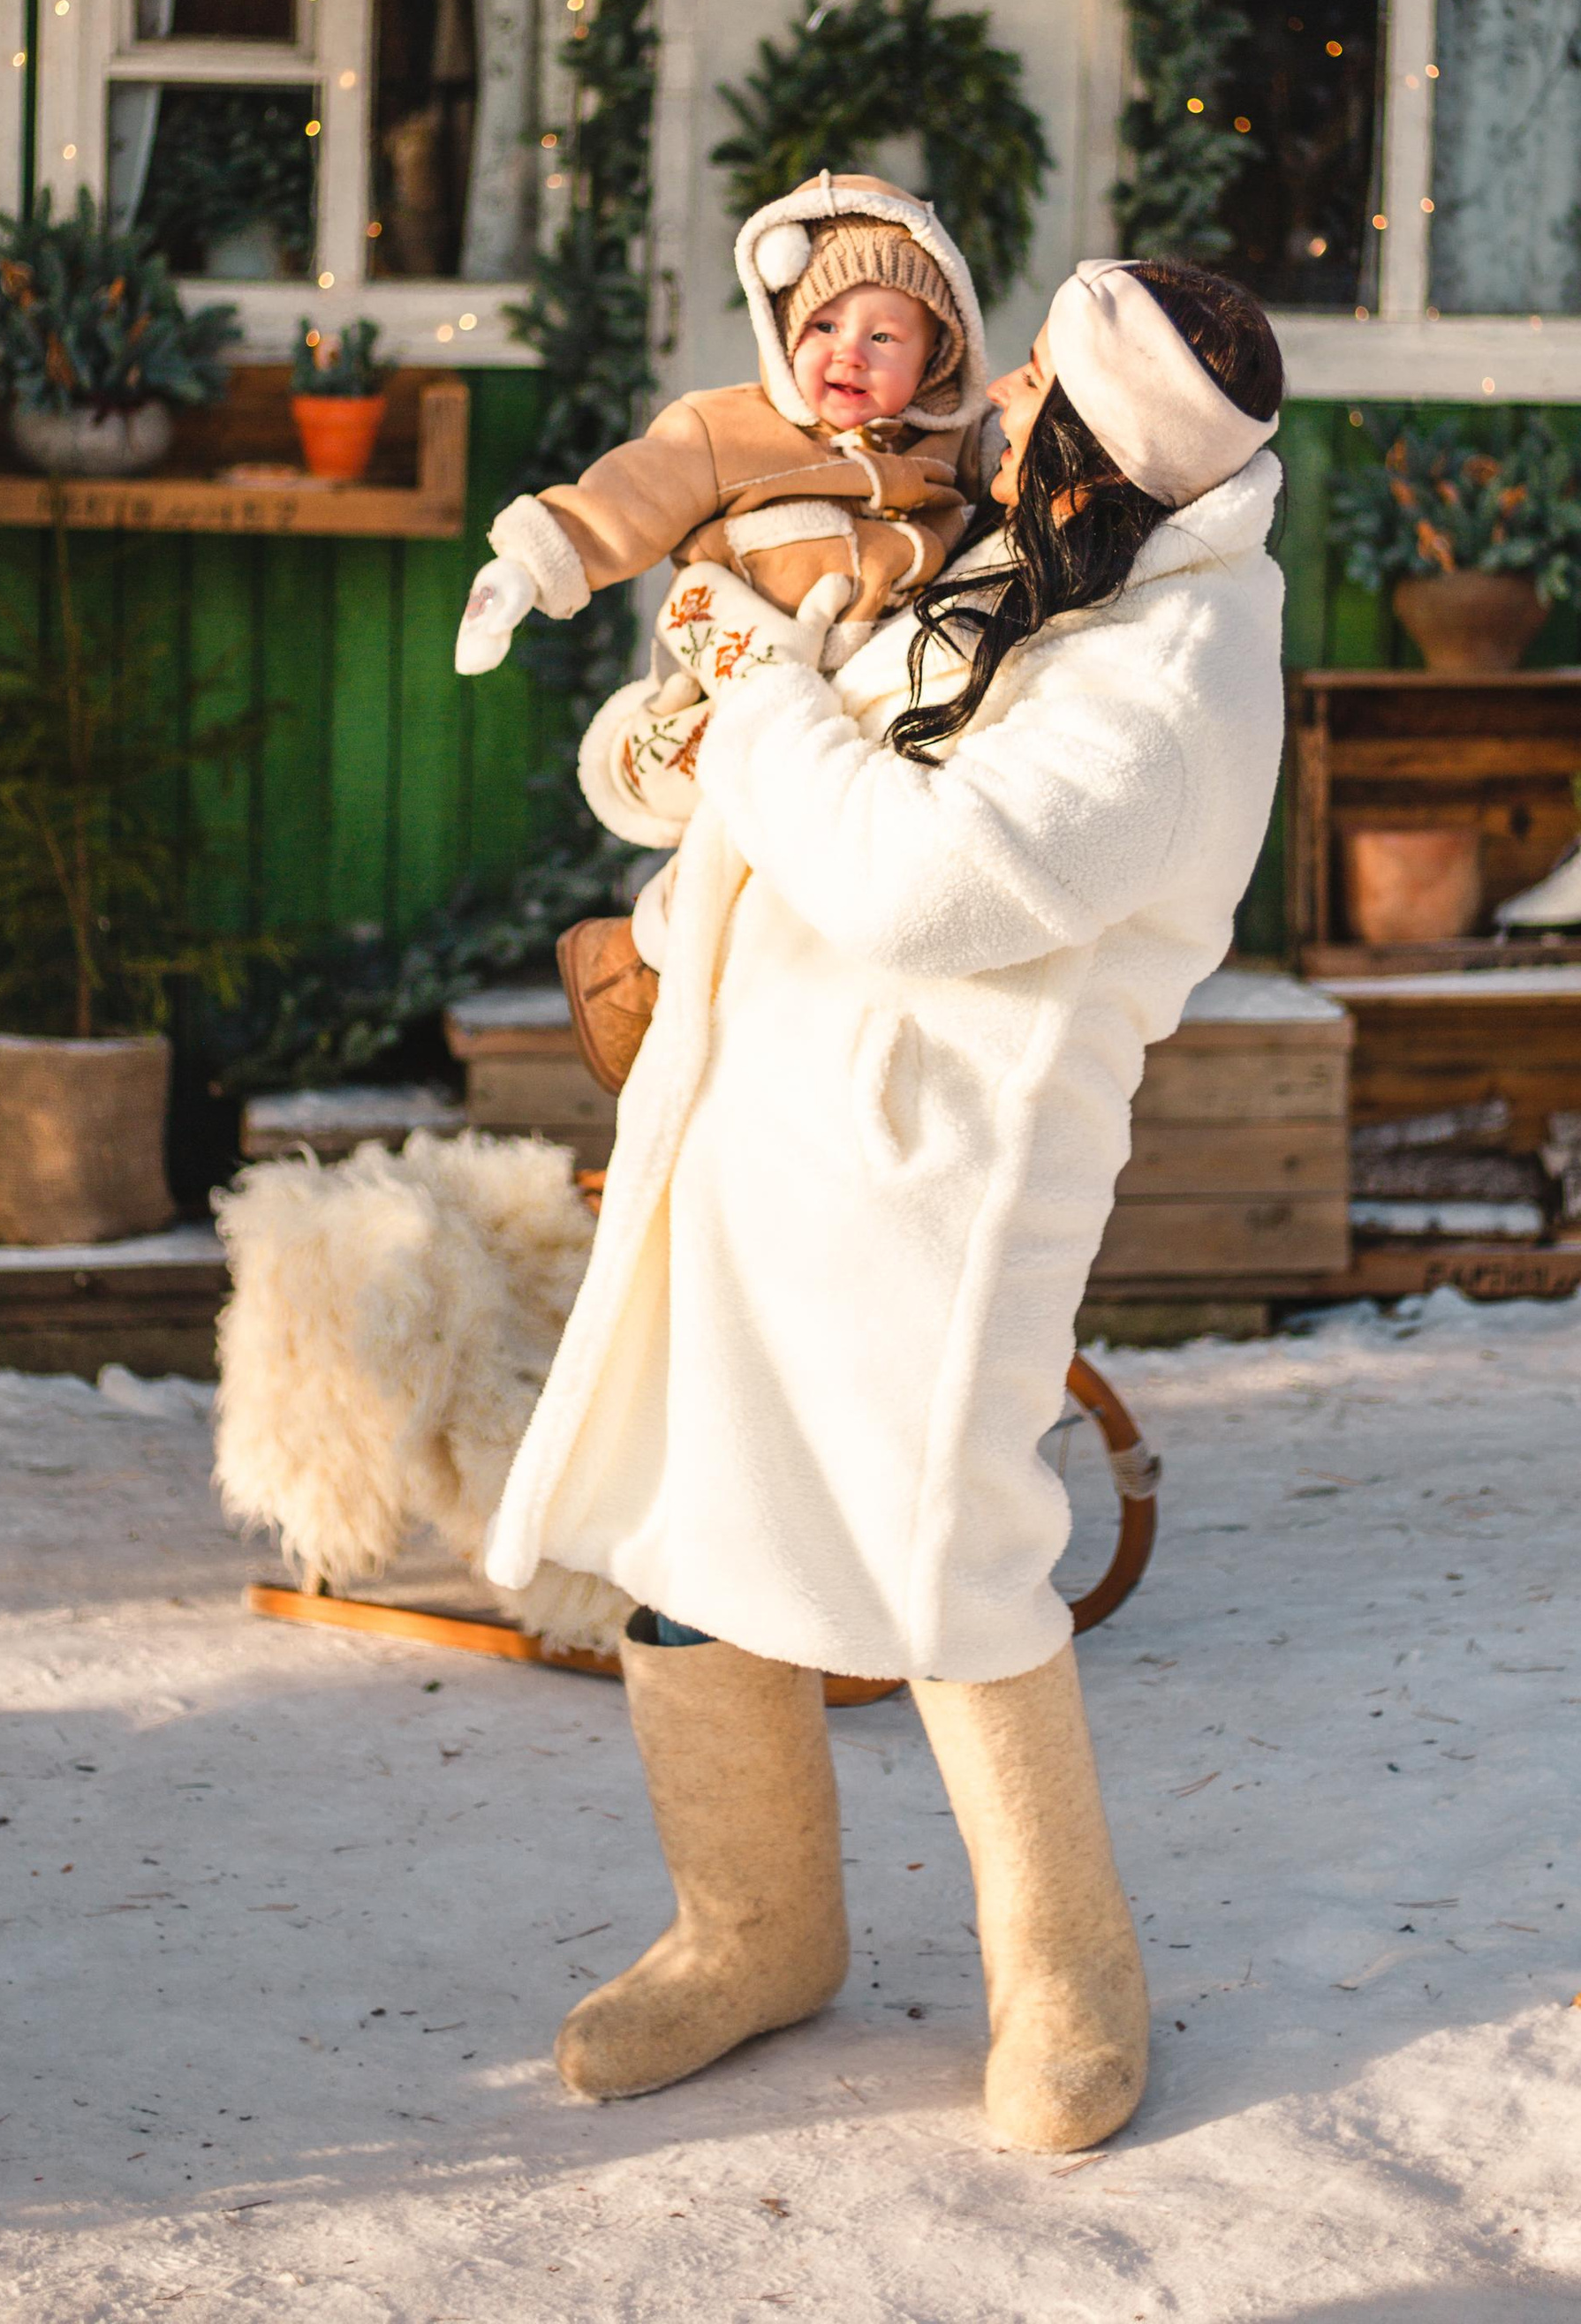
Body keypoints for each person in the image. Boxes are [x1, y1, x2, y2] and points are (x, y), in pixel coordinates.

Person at [483, 255, 1288, 2156]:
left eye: (1028, 382)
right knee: (691, 1512)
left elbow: (934, 879)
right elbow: (772, 753)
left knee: (945, 1550)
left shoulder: (1175, 666)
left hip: (941, 1173)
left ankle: (1069, 1969)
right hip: (755, 1122)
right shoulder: (1011, 573)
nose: (987, 396)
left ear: (1095, 440)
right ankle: (749, 1929)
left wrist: (763, 704)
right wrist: (671, 737)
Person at [451, 170, 989, 683]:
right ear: (787, 336)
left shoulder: (955, 443)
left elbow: (1028, 473)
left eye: (884, 339)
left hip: (889, 679)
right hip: (739, 672)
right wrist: (525, 568)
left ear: (935, 358)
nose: (850, 355)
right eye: (824, 326)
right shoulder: (729, 431)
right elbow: (628, 499)